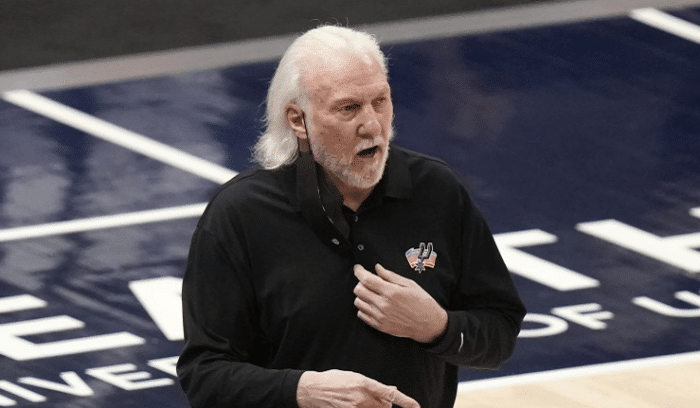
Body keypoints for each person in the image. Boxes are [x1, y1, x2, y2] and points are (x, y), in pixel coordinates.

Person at [177, 25, 526, 408]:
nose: (372, 124)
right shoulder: (240, 215)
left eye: (380, 101)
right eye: (349, 108)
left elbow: (500, 331)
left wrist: (437, 327)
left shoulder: (435, 190)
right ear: (298, 120)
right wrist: (302, 391)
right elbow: (204, 376)